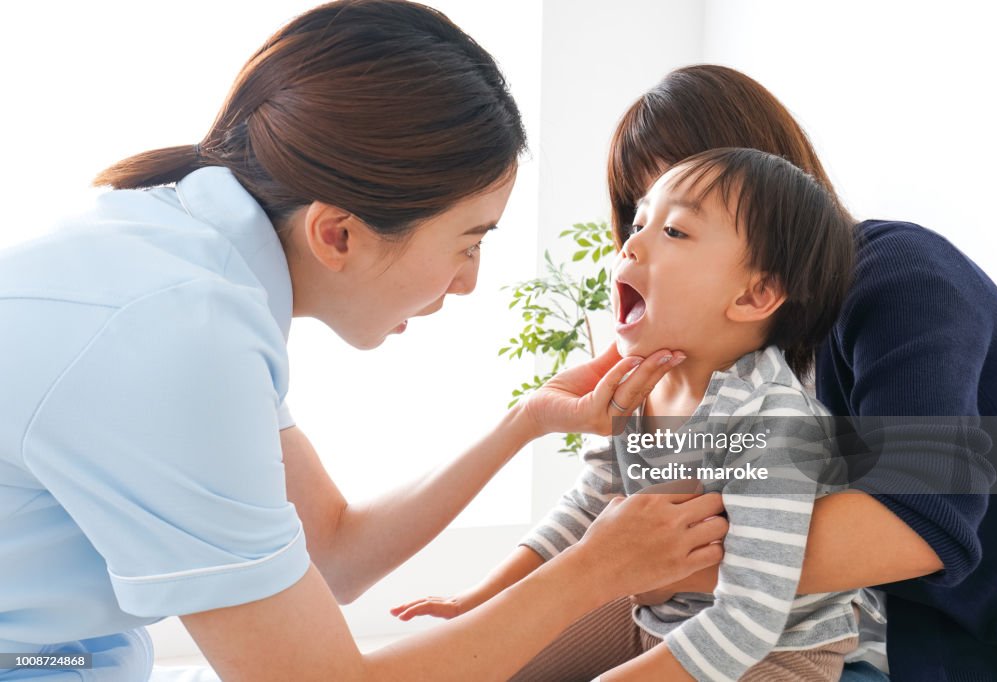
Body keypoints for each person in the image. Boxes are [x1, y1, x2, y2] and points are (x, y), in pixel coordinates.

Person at [0, 5, 731, 680]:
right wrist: (591, 572)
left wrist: (528, 423)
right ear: (337, 233)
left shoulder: (185, 264)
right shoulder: (178, 336)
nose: (469, 281)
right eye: (468, 242)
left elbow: (333, 553)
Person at [598, 65, 997, 681]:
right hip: (833, 625)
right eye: (641, 219)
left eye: (681, 222)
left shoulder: (900, 276)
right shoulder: (728, 350)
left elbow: (919, 520)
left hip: (962, 635)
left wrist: (640, 567)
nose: (649, 247)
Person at [396, 147, 865, 681]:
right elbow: (587, 508)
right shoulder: (640, 383)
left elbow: (752, 613)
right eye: (639, 222)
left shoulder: (773, 422)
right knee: (489, 661)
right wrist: (477, 601)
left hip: (776, 651)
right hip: (654, 614)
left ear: (756, 295)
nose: (631, 243)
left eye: (675, 233)